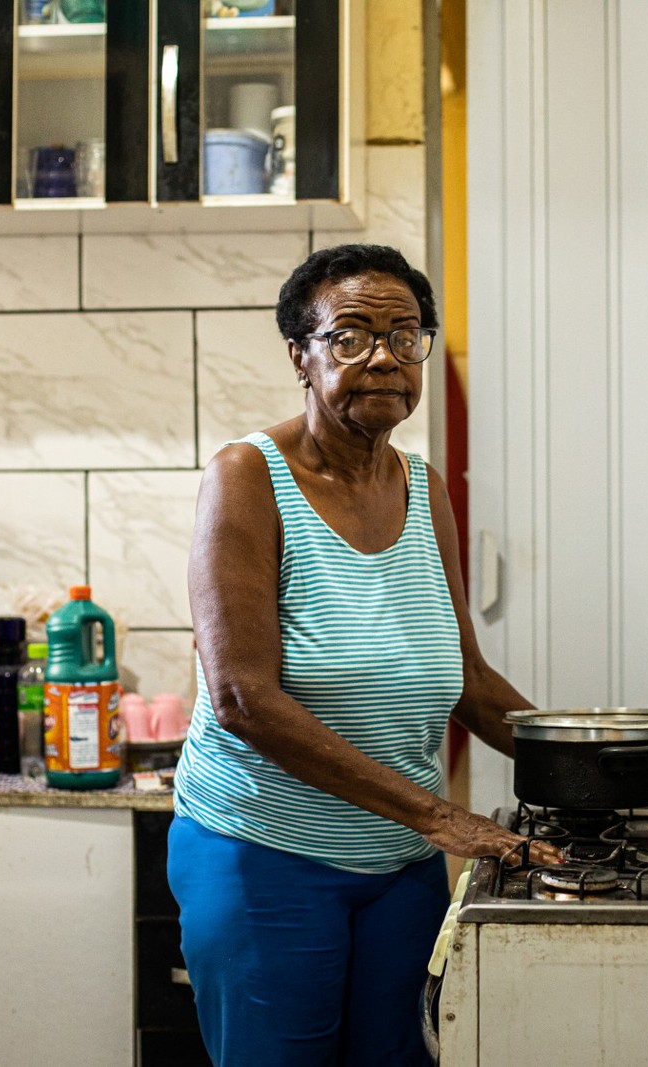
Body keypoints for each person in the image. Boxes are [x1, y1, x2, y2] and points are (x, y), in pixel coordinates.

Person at [168, 244, 564, 1066]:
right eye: (349, 336)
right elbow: (243, 699)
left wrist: (609, 774)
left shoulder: (423, 486)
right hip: (262, 856)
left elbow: (472, 682)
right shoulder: (247, 476)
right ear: (301, 357)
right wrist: (445, 817)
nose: (383, 356)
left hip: (397, 865)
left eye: (404, 334)